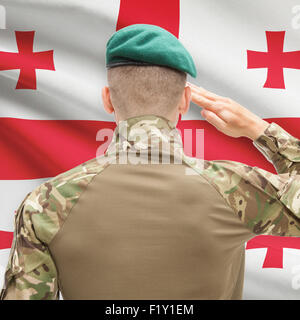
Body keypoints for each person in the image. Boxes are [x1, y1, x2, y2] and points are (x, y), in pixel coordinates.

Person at [1, 23, 300, 300]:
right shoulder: (236, 189)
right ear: (184, 101)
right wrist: (258, 130)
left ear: (107, 99)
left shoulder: (45, 204)